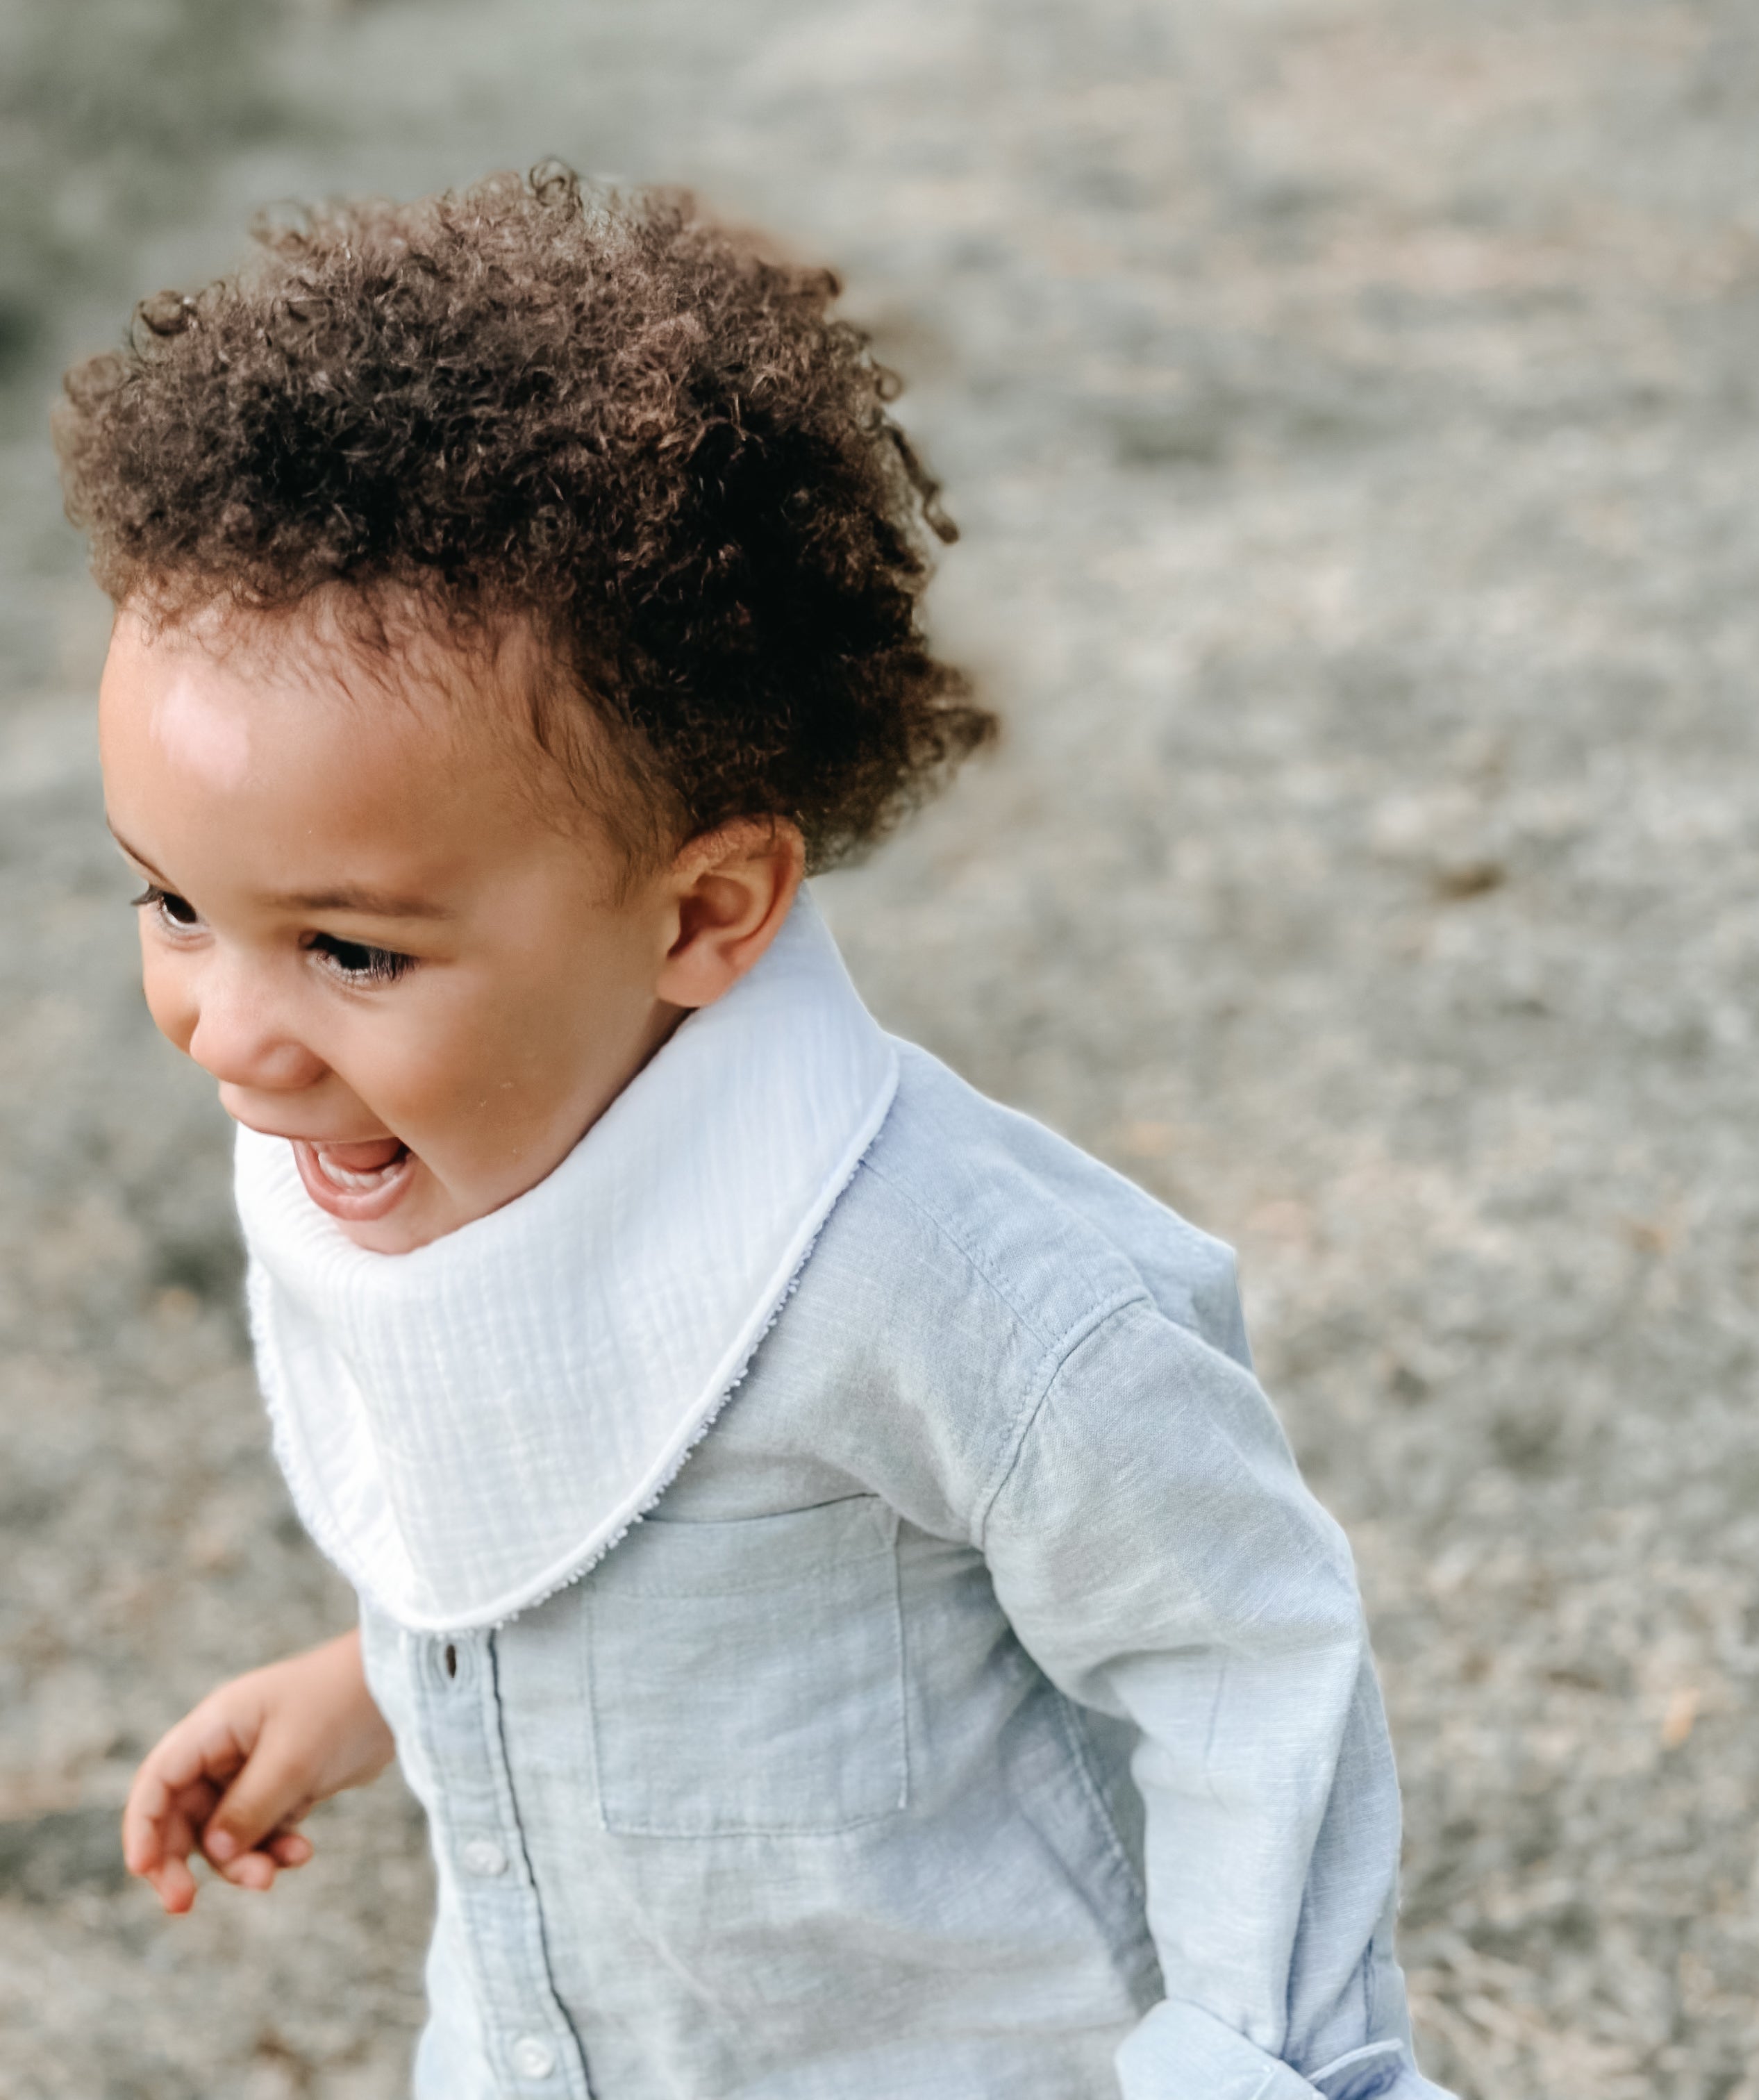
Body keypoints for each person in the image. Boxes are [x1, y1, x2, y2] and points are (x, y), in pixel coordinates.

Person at [57, 165, 1457, 2100]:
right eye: (173, 905)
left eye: (352, 948)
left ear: (705, 915)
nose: (229, 1025)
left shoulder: (943, 1282)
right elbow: (550, 1490)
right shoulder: (396, 1149)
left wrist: (1251, 2069)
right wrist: (376, 1684)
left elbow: (1239, 1653)